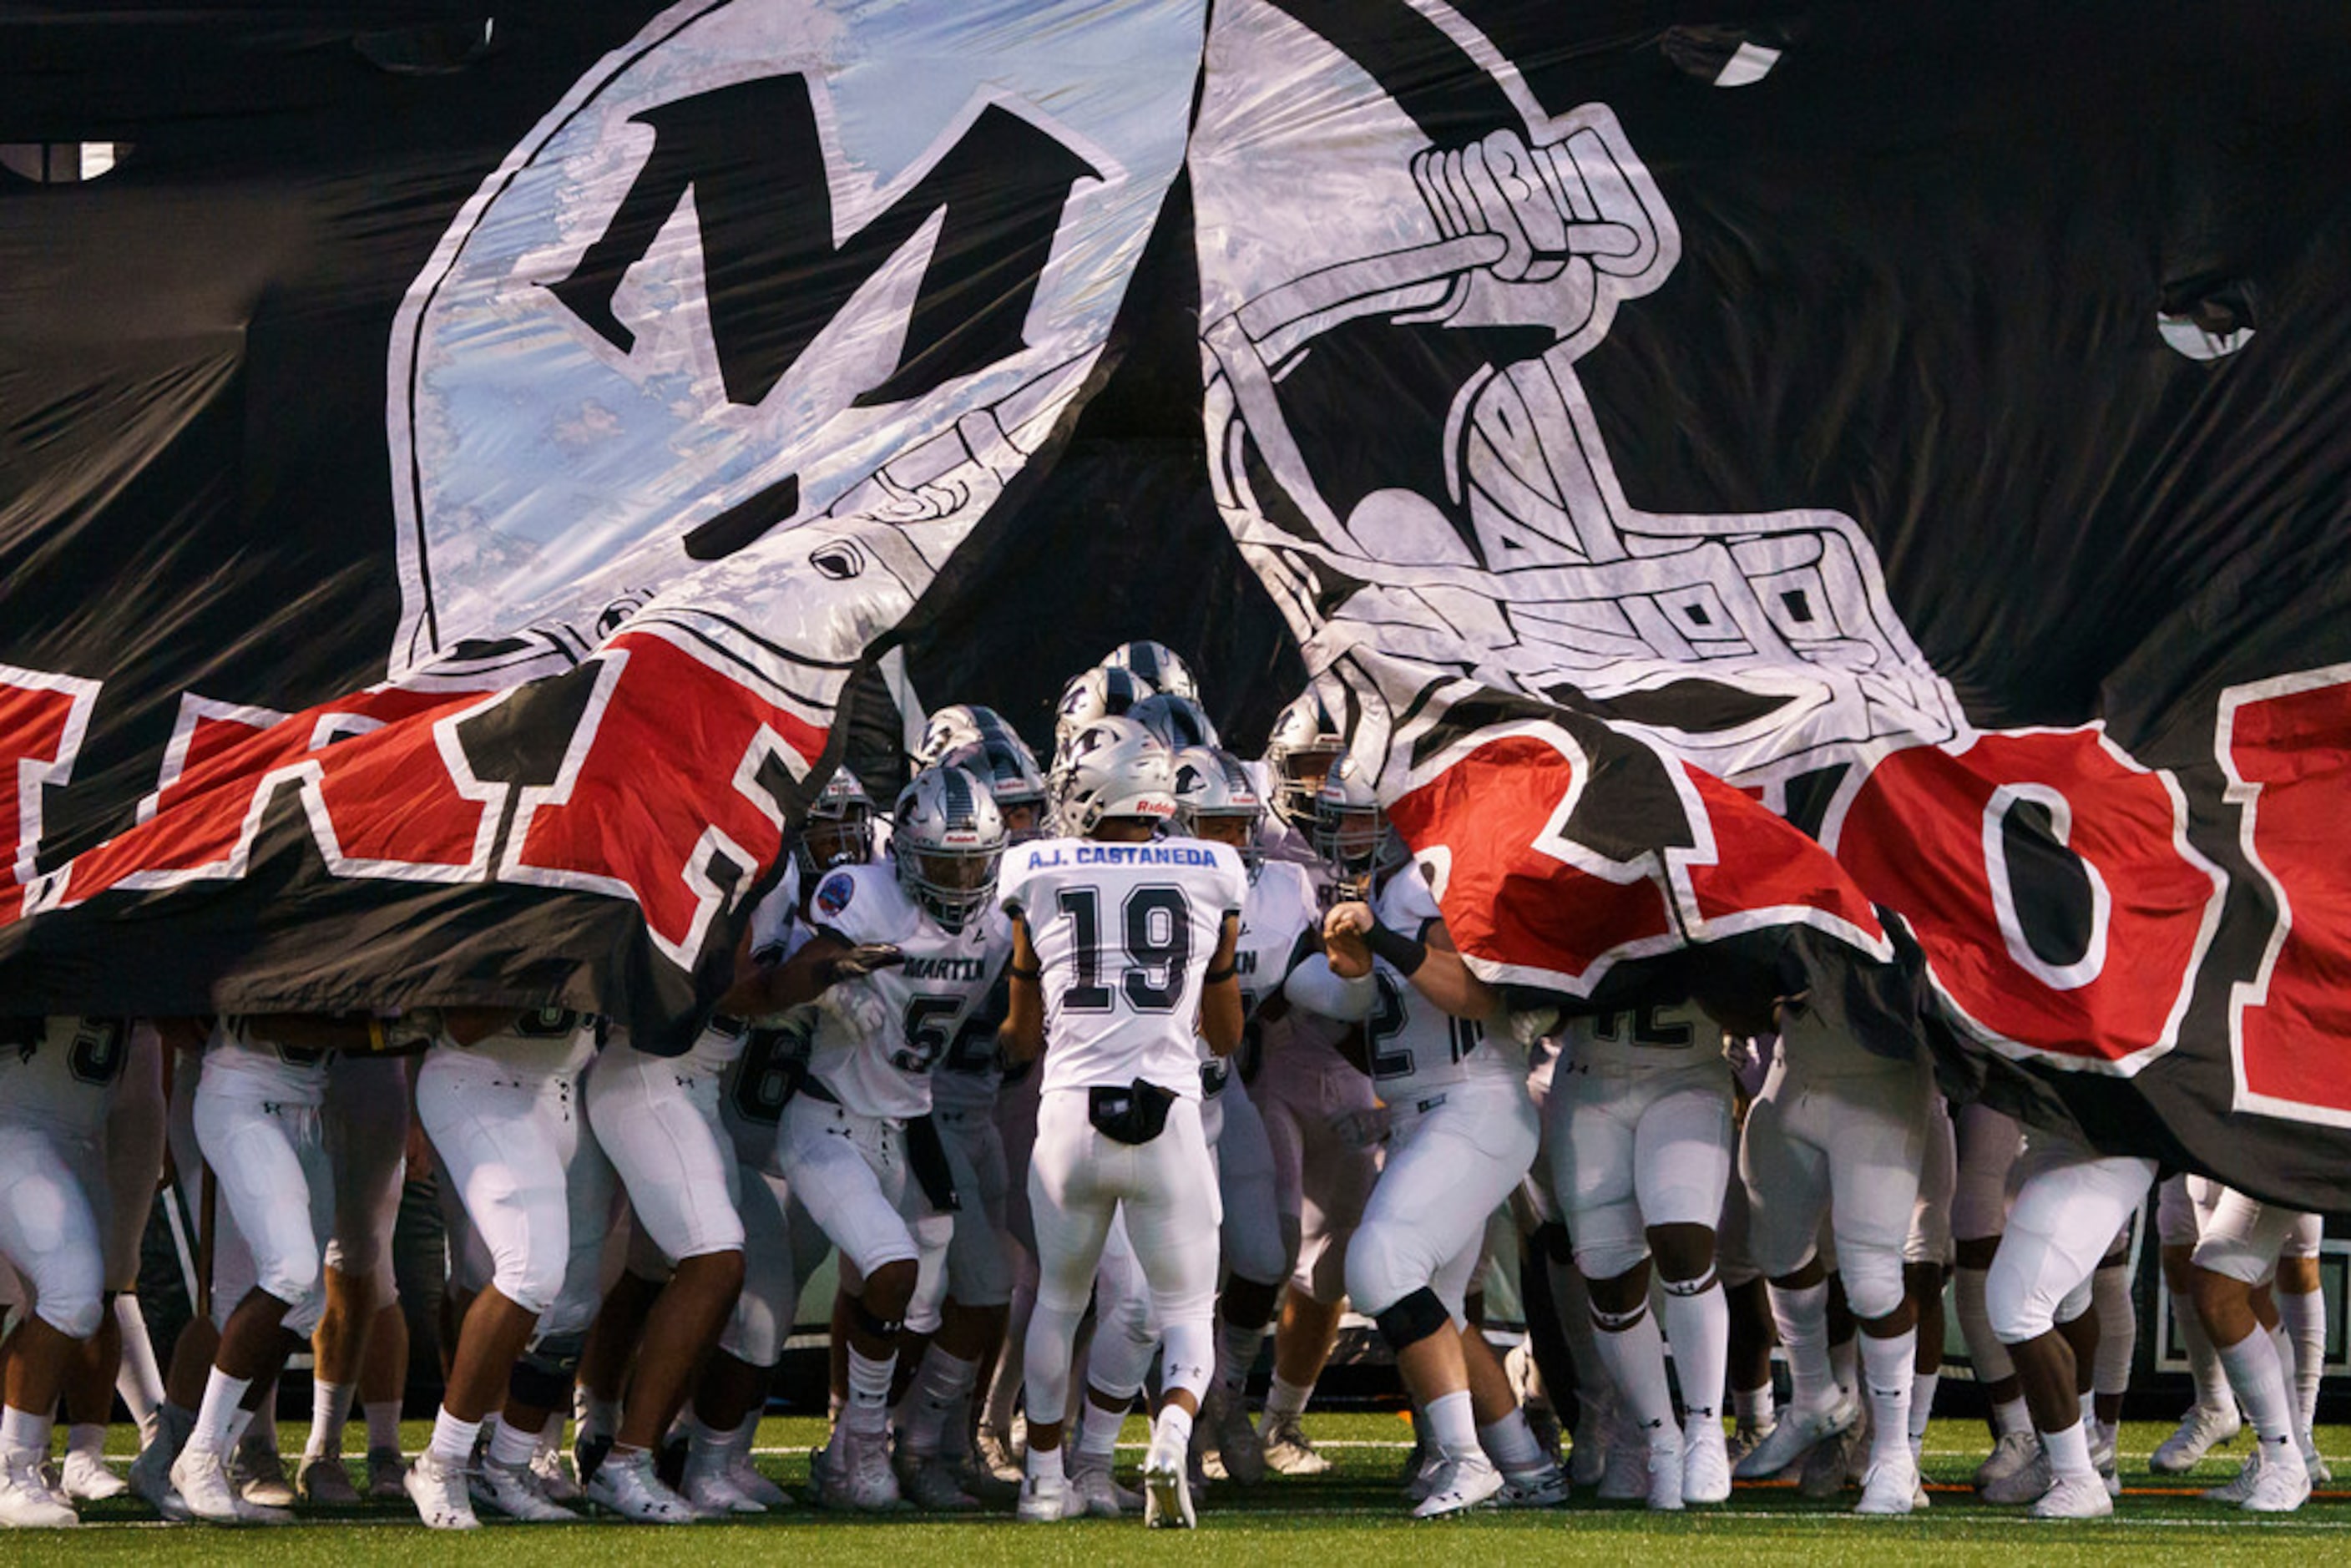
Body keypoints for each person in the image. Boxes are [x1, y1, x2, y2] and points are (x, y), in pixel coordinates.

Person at [999, 714, 1246, 1529]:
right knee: (1182, 1311)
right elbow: (1228, 1034)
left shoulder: (1033, 867)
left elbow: (1019, 1029)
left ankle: (1041, 1482)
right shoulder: (1213, 869)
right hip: (1168, 1117)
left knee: (1060, 1305)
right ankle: (1170, 1435)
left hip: (1068, 1120)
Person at [1310, 758, 1560, 1517]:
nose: (1345, 835)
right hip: (1426, 1114)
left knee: (1381, 1261)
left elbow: (1482, 995)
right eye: (1337, 818)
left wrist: (1384, 942)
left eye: (1359, 817)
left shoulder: (1431, 883)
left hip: (1477, 1100)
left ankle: (1463, 1459)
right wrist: (1349, 966)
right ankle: (1525, 1466)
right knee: (1440, 1314)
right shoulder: (1375, 894)